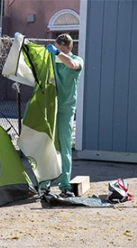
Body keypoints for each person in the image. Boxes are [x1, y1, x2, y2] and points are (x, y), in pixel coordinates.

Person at [40, 33, 84, 198]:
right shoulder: (51, 59)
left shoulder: (77, 60)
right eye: (57, 49)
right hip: (51, 107)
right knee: (48, 145)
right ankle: (44, 184)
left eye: (62, 49)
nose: (59, 52)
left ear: (70, 47)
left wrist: (58, 54)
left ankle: (64, 185)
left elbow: (72, 64)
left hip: (66, 108)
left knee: (65, 147)